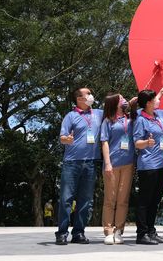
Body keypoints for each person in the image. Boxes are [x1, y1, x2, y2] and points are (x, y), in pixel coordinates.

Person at [55, 87, 103, 245]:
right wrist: (66, 139)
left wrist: (130, 102)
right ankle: (62, 233)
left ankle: (78, 233)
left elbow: (116, 111)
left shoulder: (98, 113)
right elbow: (62, 138)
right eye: (88, 94)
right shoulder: (70, 116)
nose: (91, 96)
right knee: (66, 199)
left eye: (90, 92)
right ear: (79, 99)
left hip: (90, 163)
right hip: (72, 163)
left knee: (86, 200)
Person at [133, 88, 163, 245]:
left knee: (155, 200)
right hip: (148, 165)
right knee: (145, 201)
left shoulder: (159, 115)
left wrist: (161, 92)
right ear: (148, 103)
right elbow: (136, 142)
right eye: (155, 99)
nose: (158, 101)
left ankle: (151, 231)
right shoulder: (141, 119)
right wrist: (146, 143)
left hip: (162, 164)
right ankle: (141, 234)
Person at [99, 93, 136, 245]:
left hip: (128, 164)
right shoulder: (108, 121)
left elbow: (144, 106)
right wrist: (107, 163)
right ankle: (108, 231)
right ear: (115, 103)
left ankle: (119, 230)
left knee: (123, 199)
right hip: (112, 164)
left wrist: (134, 104)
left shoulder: (131, 118)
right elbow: (104, 142)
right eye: (121, 98)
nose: (124, 100)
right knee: (110, 199)